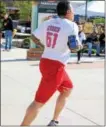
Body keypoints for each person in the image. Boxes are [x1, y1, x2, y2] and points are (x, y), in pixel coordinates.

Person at [21, 1, 82, 126]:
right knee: (38, 102)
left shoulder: (48, 22)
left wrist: (46, 47)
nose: (74, 13)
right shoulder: (71, 25)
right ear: (68, 12)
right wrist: (81, 45)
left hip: (45, 61)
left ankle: (54, 121)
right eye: (73, 11)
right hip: (56, 66)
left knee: (68, 88)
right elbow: (74, 48)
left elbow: (33, 37)